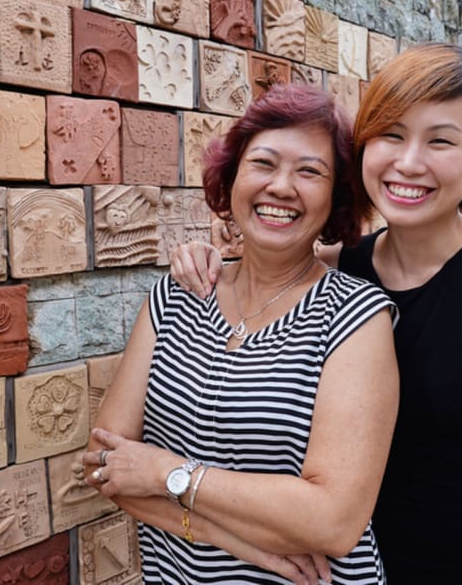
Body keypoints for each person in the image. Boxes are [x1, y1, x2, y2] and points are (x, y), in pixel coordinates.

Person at [169, 42, 462, 584]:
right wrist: (203, 258)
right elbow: (262, 266)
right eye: (391, 135)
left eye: (440, 141)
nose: (409, 163)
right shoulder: (340, 269)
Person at [83, 83, 400, 584]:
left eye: (310, 171)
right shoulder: (175, 296)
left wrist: (168, 473)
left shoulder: (355, 318)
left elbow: (334, 523)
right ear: (231, 180)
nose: (281, 187)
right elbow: (106, 461)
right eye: (264, 163)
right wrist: (227, 538)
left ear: (335, 198)